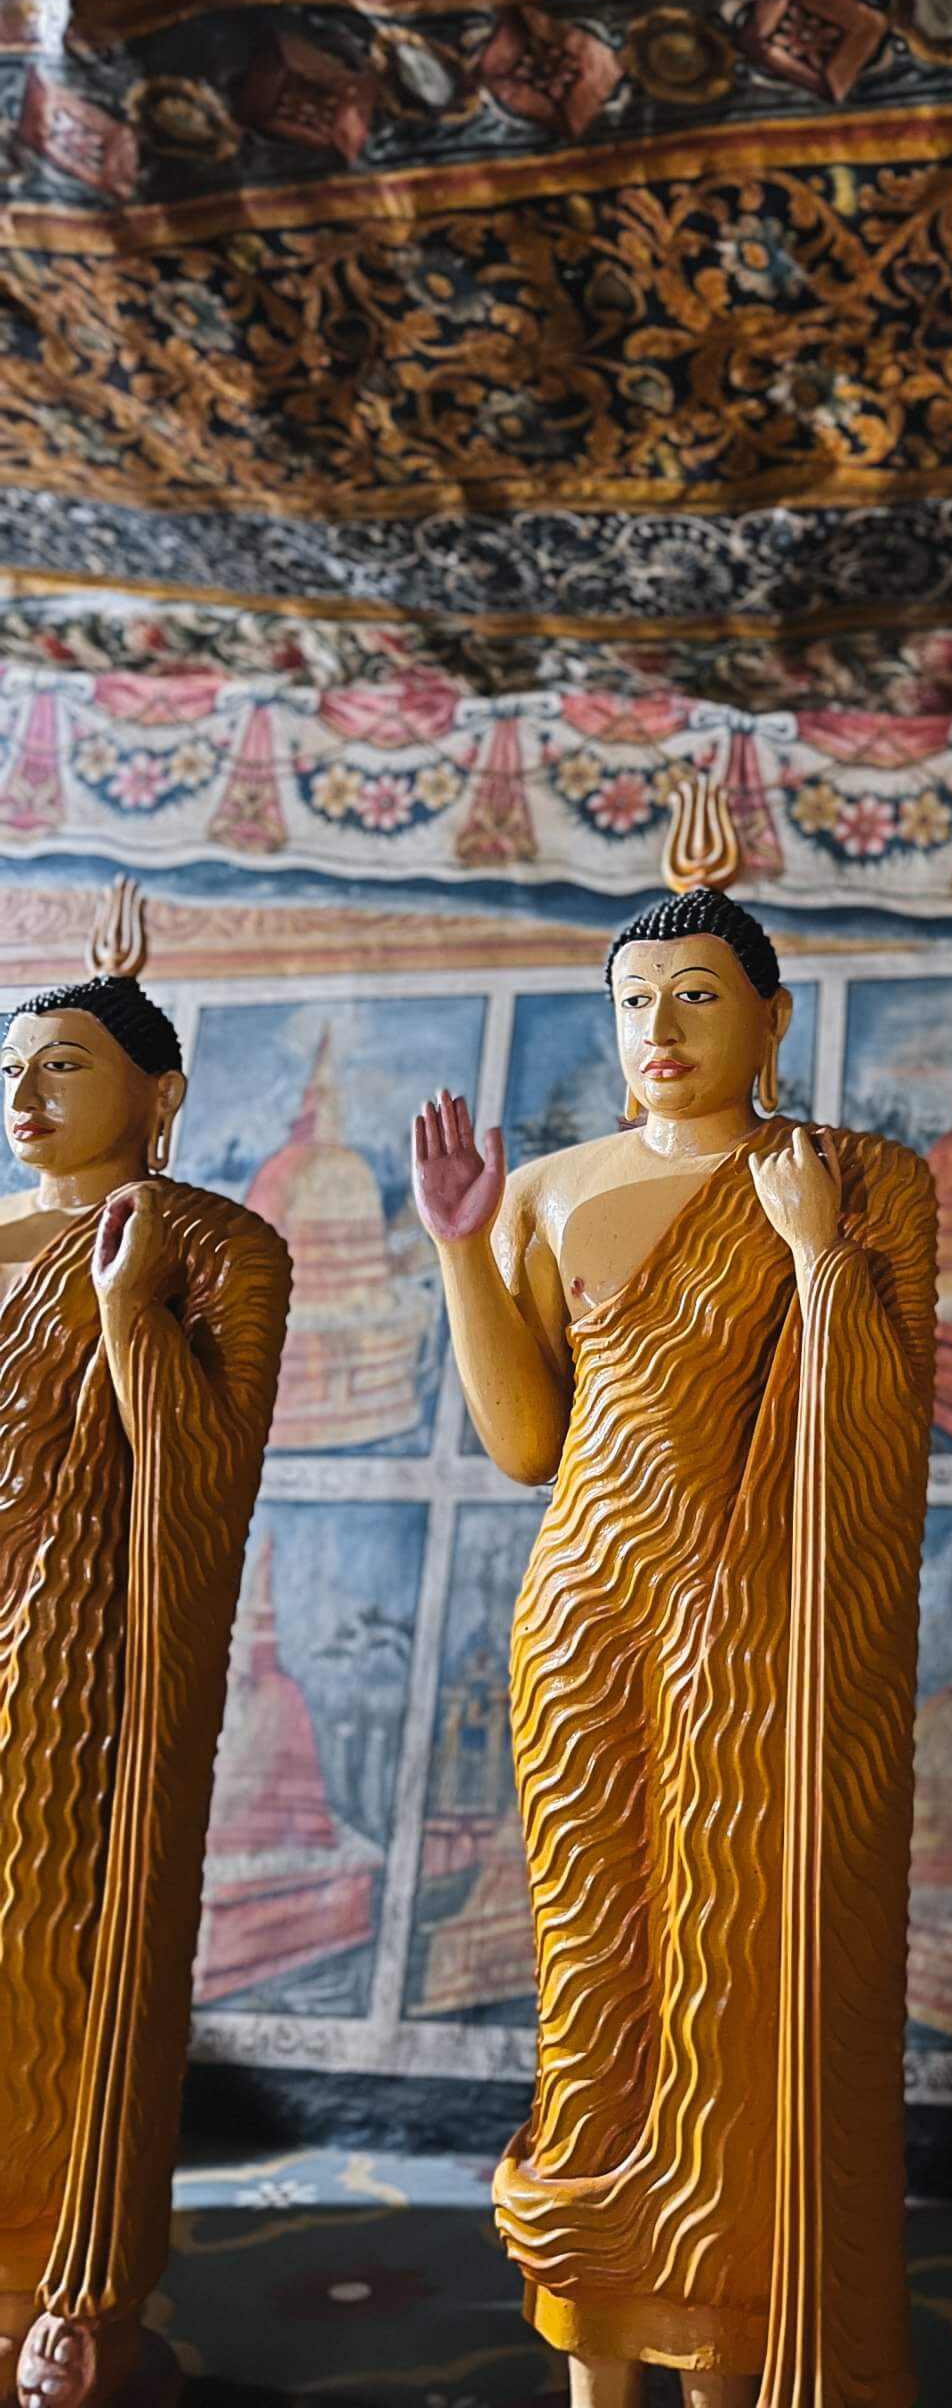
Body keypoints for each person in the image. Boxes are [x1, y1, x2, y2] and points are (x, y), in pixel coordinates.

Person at [411, 795, 937, 2408]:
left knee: (731, 1976)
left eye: (700, 995)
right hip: (585, 1611)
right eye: (636, 999)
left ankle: (725, 2343)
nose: (663, 1026)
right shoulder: (550, 1190)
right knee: (592, 1973)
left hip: (759, 1643)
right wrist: (458, 1249)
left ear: (771, 1019)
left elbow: (885, 1443)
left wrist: (820, 1264)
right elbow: (525, 1445)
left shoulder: (859, 1181)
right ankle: (598, 2355)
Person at [0, 882, 289, 2408]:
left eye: (64, 1067)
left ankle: (72, 2282)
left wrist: (127, 1318)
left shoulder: (222, 1249)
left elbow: (209, 1480)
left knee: (67, 1958)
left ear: (158, 1095)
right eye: (12, 1071)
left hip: (86, 1666)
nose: (26, 1098)